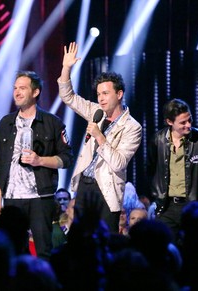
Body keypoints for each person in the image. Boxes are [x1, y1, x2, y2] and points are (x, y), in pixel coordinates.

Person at [58, 42, 142, 233]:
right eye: (98, 94)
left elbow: (119, 162)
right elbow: (68, 97)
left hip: (107, 189)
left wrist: (99, 137)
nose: (101, 98)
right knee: (79, 239)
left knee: (105, 240)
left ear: (119, 94)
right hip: (85, 185)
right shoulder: (96, 112)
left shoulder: (132, 127)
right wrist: (66, 68)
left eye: (106, 93)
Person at [0, 70, 73, 260]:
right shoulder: (6, 122)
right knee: (12, 250)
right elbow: (0, 161)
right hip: (12, 197)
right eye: (15, 88)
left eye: (22, 88)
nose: (17, 92)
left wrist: (40, 161)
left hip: (40, 196)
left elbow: (67, 158)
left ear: (35, 92)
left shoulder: (52, 122)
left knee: (43, 249)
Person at [147, 98, 198, 240]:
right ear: (169, 122)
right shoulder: (157, 140)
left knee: (195, 251)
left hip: (193, 206)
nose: (188, 125)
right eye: (183, 122)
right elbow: (151, 169)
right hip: (166, 207)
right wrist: (156, 194)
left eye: (189, 120)